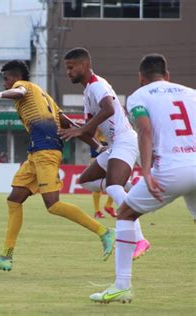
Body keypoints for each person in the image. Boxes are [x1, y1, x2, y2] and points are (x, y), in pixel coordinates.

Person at [0, 60, 115, 272]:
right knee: (14, 199)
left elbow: (20, 91)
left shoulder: (22, 87)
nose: (5, 84)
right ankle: (5, 256)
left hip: (46, 152)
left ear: (15, 77)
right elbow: (68, 122)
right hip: (36, 154)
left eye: (5, 79)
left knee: (53, 205)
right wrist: (97, 144)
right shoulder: (44, 96)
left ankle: (104, 232)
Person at [89, 54, 196, 303]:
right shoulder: (192, 93)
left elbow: (145, 130)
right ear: (167, 75)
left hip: (171, 169)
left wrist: (146, 171)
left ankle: (122, 286)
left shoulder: (139, 96)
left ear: (141, 78)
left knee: (126, 213)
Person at [59, 47, 150, 260]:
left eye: (71, 68)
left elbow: (108, 108)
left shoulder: (96, 85)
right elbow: (89, 130)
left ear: (84, 65)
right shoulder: (87, 93)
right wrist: (71, 125)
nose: (68, 72)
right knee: (85, 181)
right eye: (67, 69)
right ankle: (134, 189)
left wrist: (80, 129)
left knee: (114, 187)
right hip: (113, 146)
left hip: (125, 140)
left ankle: (140, 238)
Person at [90, 129, 116, 218]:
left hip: (112, 148)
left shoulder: (118, 120)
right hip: (99, 150)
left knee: (116, 181)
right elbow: (92, 135)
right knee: (97, 183)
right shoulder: (99, 119)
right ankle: (97, 211)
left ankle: (108, 206)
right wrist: (100, 147)